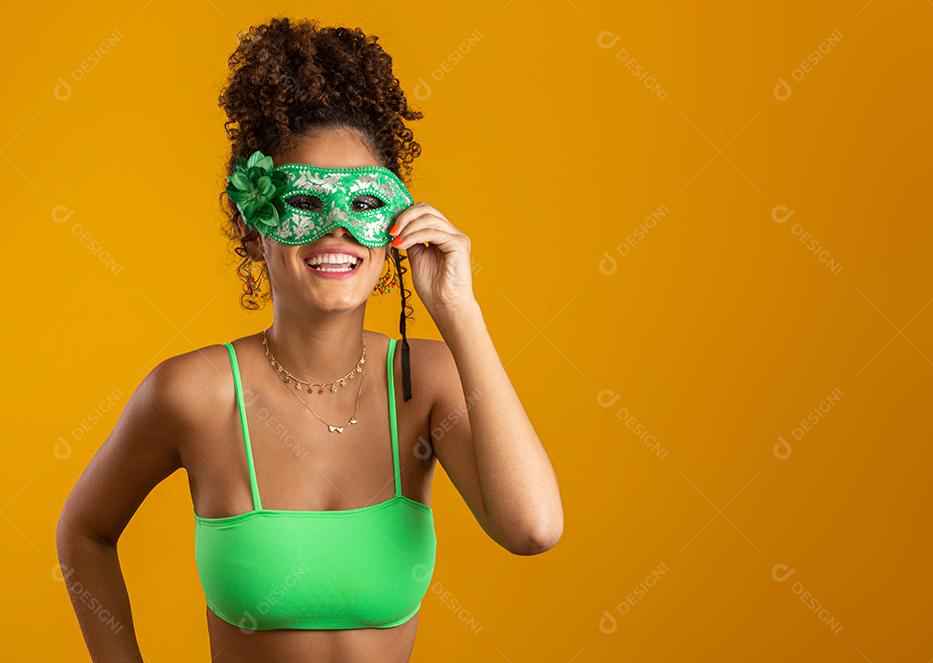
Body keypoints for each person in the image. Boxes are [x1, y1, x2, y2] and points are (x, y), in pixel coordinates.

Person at [56, 17, 563, 663]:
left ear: (397, 225)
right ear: (253, 230)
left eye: (365, 205)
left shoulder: (426, 383)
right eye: (303, 201)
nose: (336, 227)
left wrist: (457, 309)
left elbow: (533, 528)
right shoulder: (194, 393)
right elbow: (84, 532)